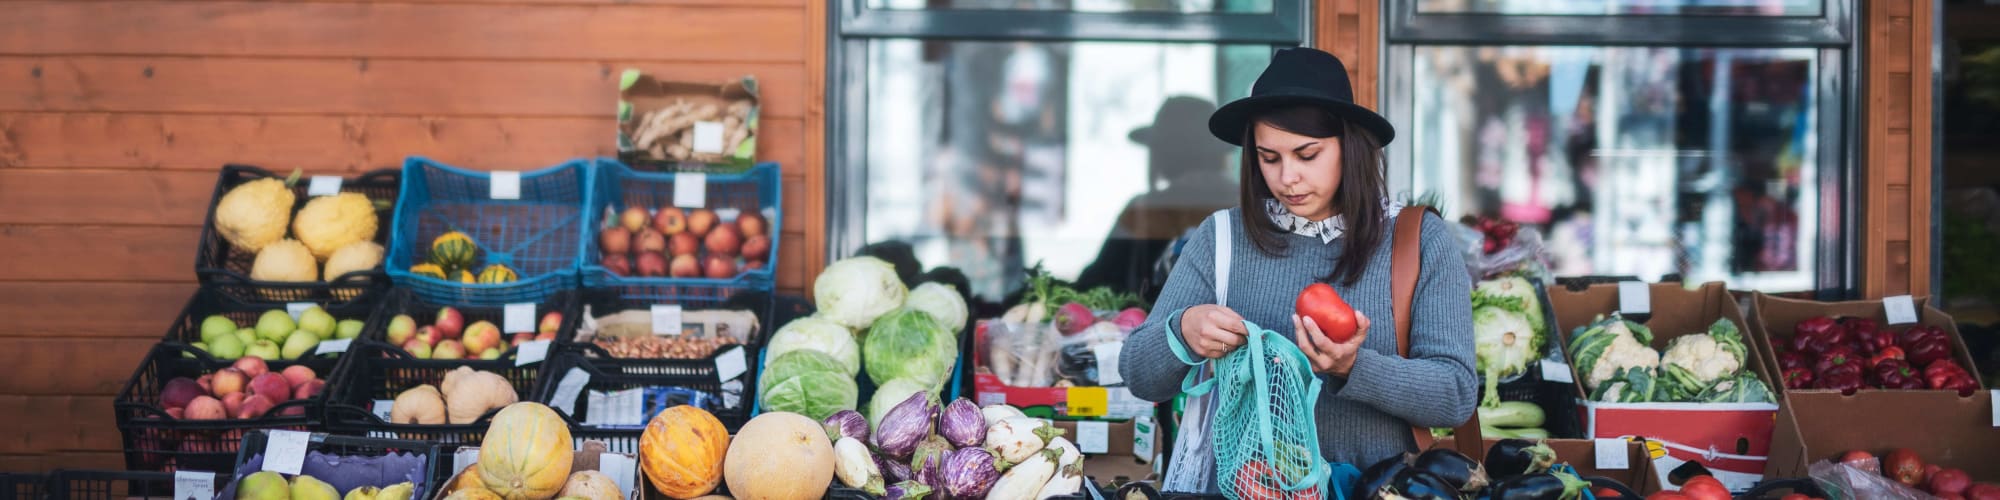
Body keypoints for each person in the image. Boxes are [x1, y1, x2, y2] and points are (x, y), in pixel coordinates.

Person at [1118, 47, 1478, 467]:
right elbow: (1138, 375)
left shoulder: (1418, 240)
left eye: (1307, 155)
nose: (1287, 178)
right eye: (1269, 158)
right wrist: (1182, 331)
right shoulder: (1220, 238)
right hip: (1242, 491)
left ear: (1350, 146)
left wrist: (1353, 366)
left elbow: (1454, 395)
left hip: (1376, 489)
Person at [1075, 96, 1239, 302]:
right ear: (1218, 154)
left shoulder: (1145, 209)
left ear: (1161, 156)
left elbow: (1096, 283)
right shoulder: (1249, 206)